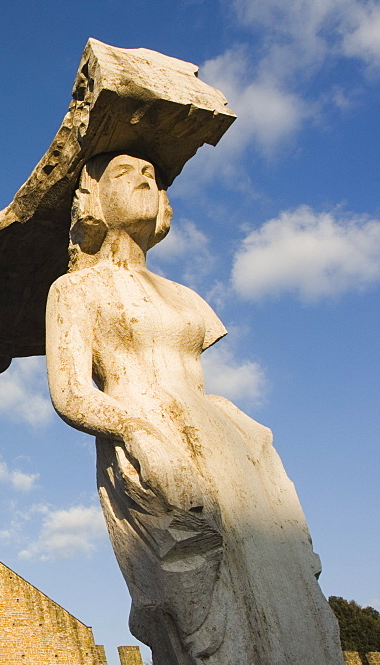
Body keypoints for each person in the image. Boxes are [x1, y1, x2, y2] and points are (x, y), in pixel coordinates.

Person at [44, 153, 342, 664]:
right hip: (146, 440)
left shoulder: (185, 297)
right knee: (199, 611)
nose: (143, 178)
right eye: (124, 173)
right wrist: (136, 433)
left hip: (223, 440)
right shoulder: (75, 290)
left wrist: (244, 429)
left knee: (280, 586)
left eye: (151, 176)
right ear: (92, 198)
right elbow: (71, 393)